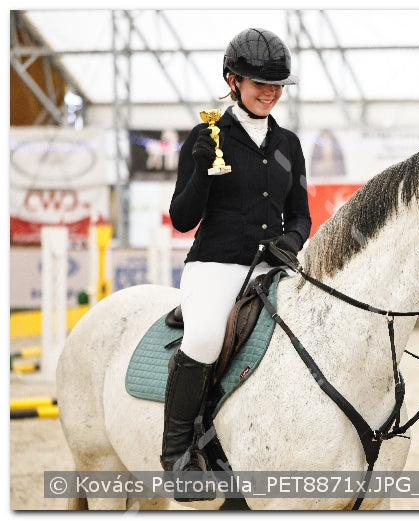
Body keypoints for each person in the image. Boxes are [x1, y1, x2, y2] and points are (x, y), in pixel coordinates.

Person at [162, 28, 311, 480]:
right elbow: (182, 218)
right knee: (206, 336)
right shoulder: (205, 136)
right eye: (259, 83)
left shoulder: (288, 145)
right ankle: (178, 455)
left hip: (272, 268)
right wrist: (203, 173)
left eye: (276, 85)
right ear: (232, 81)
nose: (269, 92)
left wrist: (294, 241)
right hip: (216, 265)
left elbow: (301, 216)